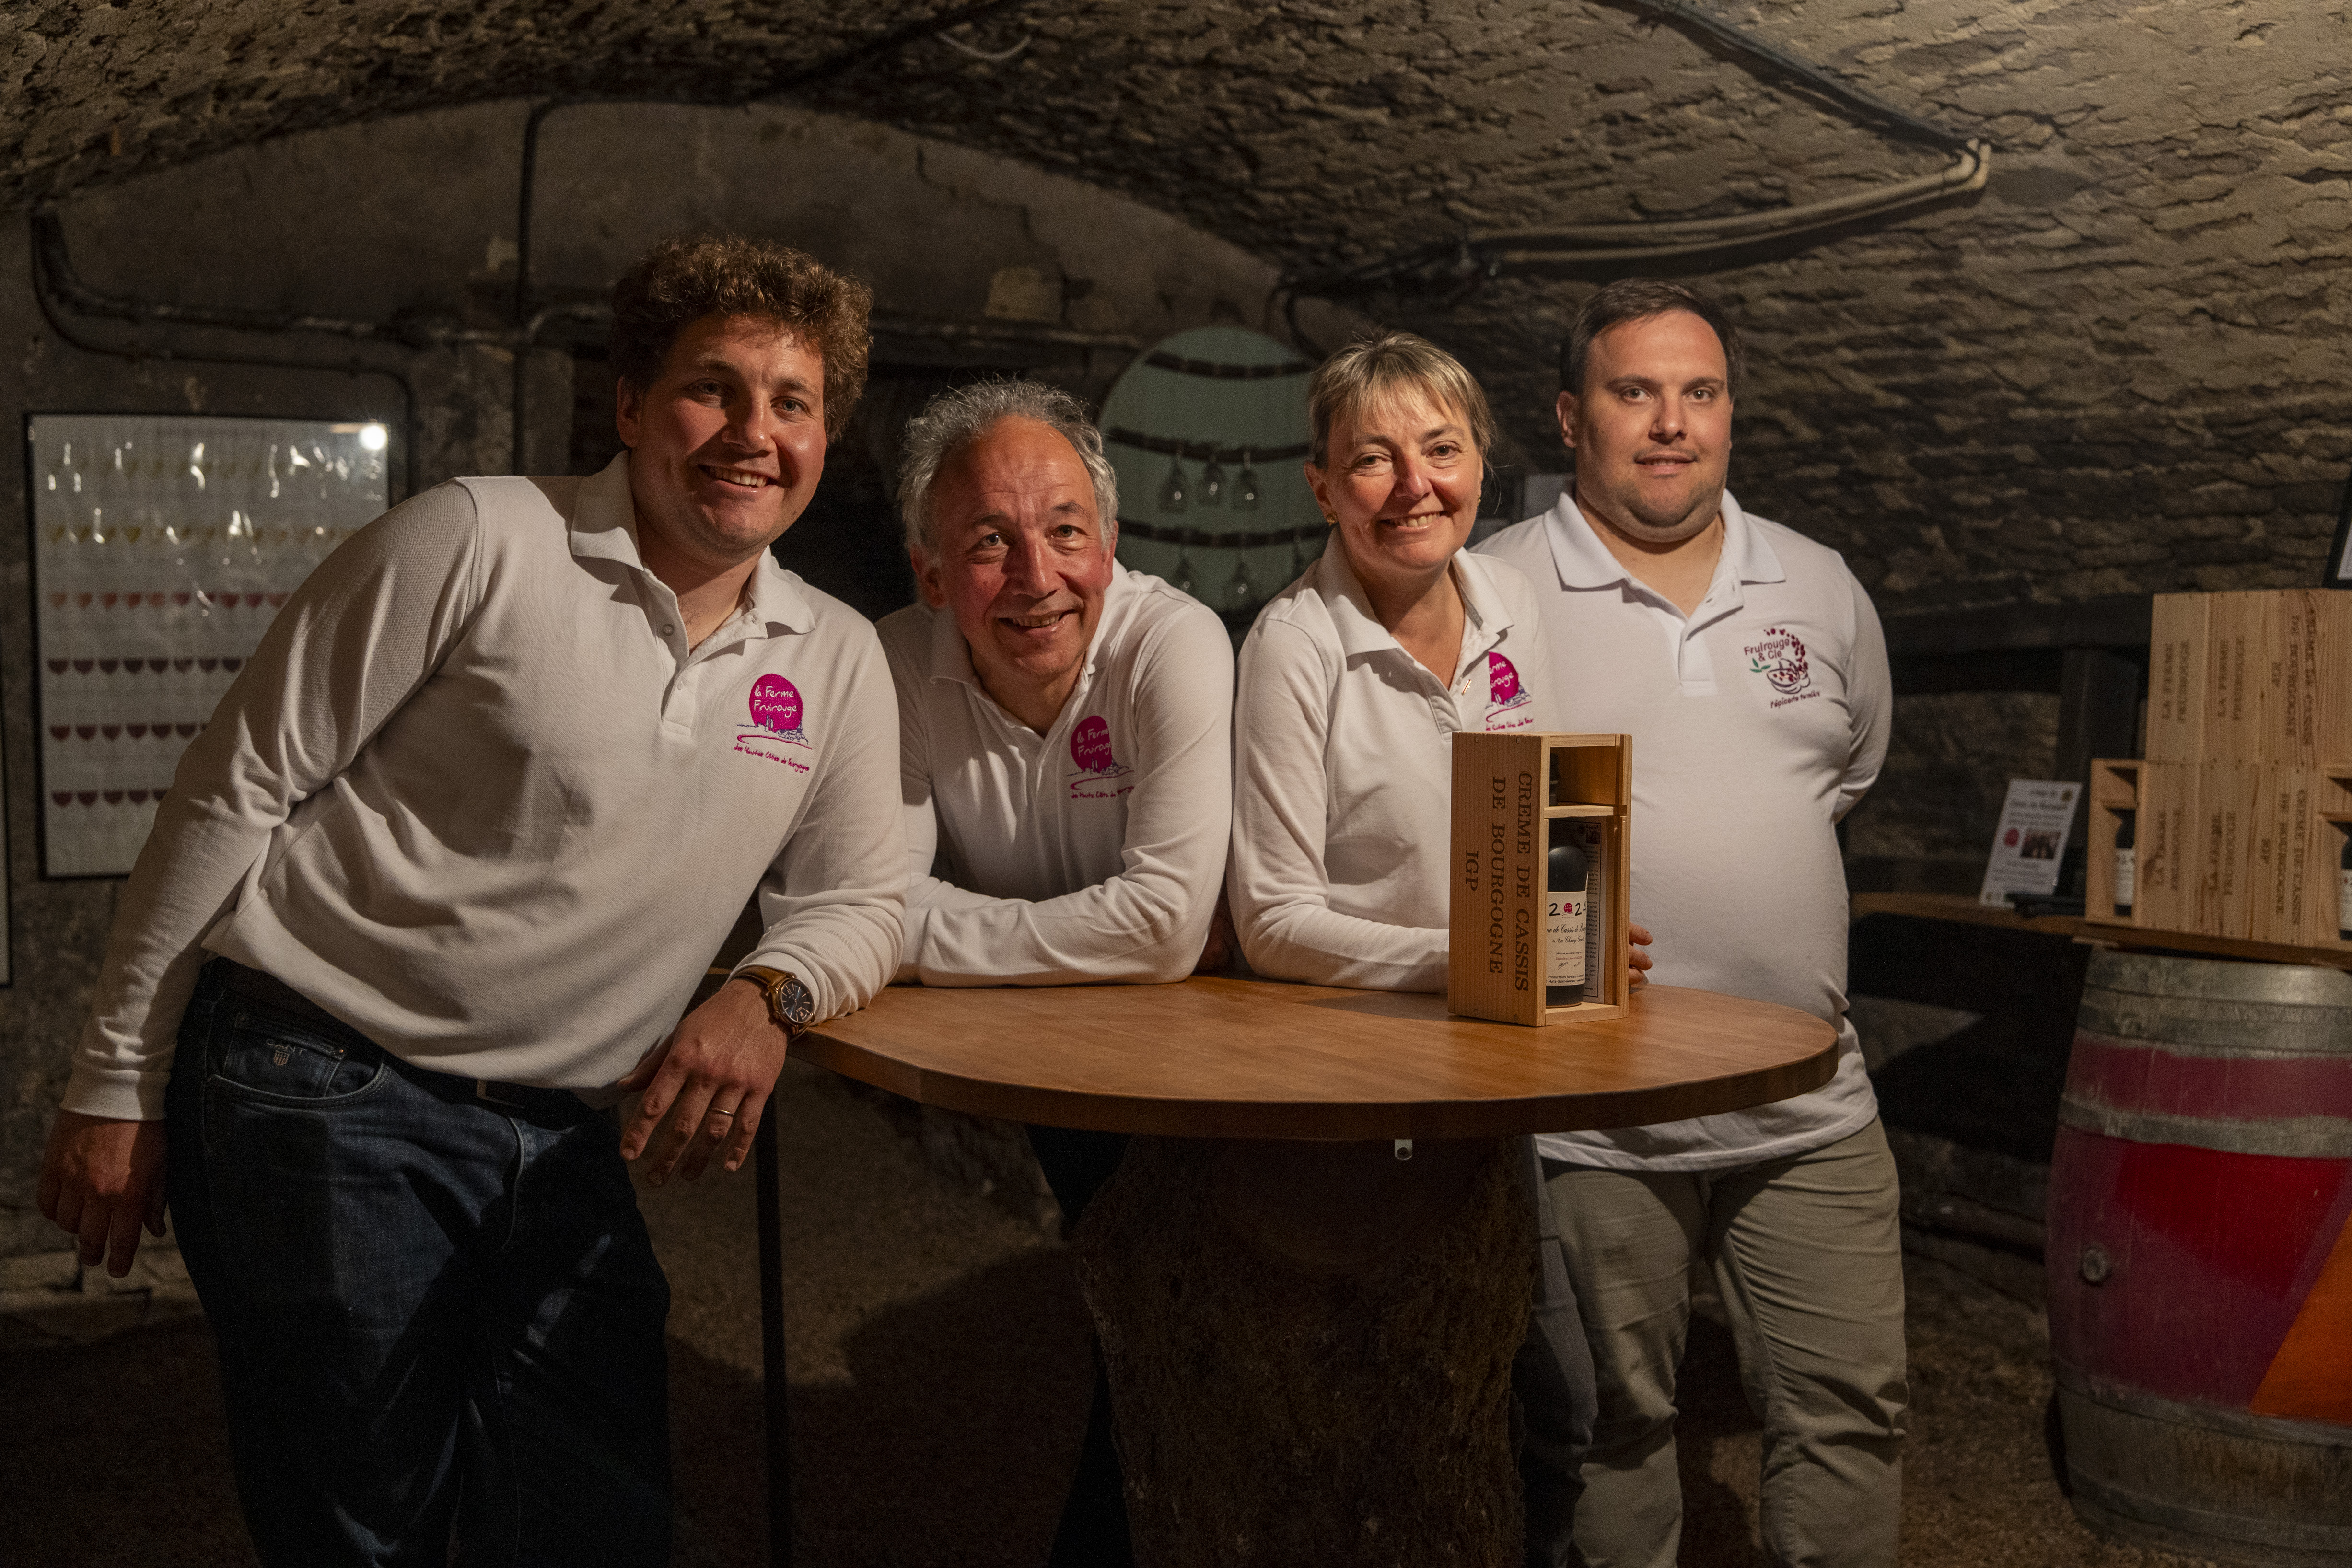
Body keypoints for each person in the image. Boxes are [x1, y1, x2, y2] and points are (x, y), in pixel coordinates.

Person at [35, 236, 906, 1566]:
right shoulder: (480, 536)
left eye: (792, 402)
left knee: (596, 1515)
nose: (754, 432)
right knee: (366, 1520)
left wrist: (766, 993)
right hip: (323, 1082)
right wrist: (116, 1079)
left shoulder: (834, 653)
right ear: (630, 406)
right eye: (712, 388)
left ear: (824, 438)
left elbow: (868, 893)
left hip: (563, 1133)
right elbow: (238, 784)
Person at [1477, 278, 1903, 1568]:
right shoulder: (1492, 588)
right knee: (1605, 1428)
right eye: (1635, 392)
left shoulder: (1817, 585)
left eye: (1699, 392)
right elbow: (1459, 812)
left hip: (1809, 1101)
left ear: (1729, 411)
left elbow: (1844, 775)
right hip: (1591, 1115)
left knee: (1850, 1414)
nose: (1671, 422)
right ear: (1571, 417)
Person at [1228, 329, 1636, 1568]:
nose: (1413, 485)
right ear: (1321, 485)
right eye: (1372, 459)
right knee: (1368, 1407)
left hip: (1495, 1074)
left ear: (1480, 462)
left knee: (1549, 1396)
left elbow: (1546, 822)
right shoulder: (1293, 644)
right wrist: (1467, 961)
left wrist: (1582, 926)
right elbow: (1271, 922)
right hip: (1356, 1090)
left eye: (1441, 450)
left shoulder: (1510, 605)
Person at [882, 378, 1233, 1564]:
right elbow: (856, 903)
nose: (1037, 574)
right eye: (989, 541)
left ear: (1111, 544)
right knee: (1132, 1329)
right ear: (933, 575)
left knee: (1171, 1333)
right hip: (1048, 1061)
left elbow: (1165, 927)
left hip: (1208, 1070)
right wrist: (1116, 934)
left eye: (1065, 530)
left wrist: (929, 934)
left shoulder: (1171, 641)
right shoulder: (891, 663)